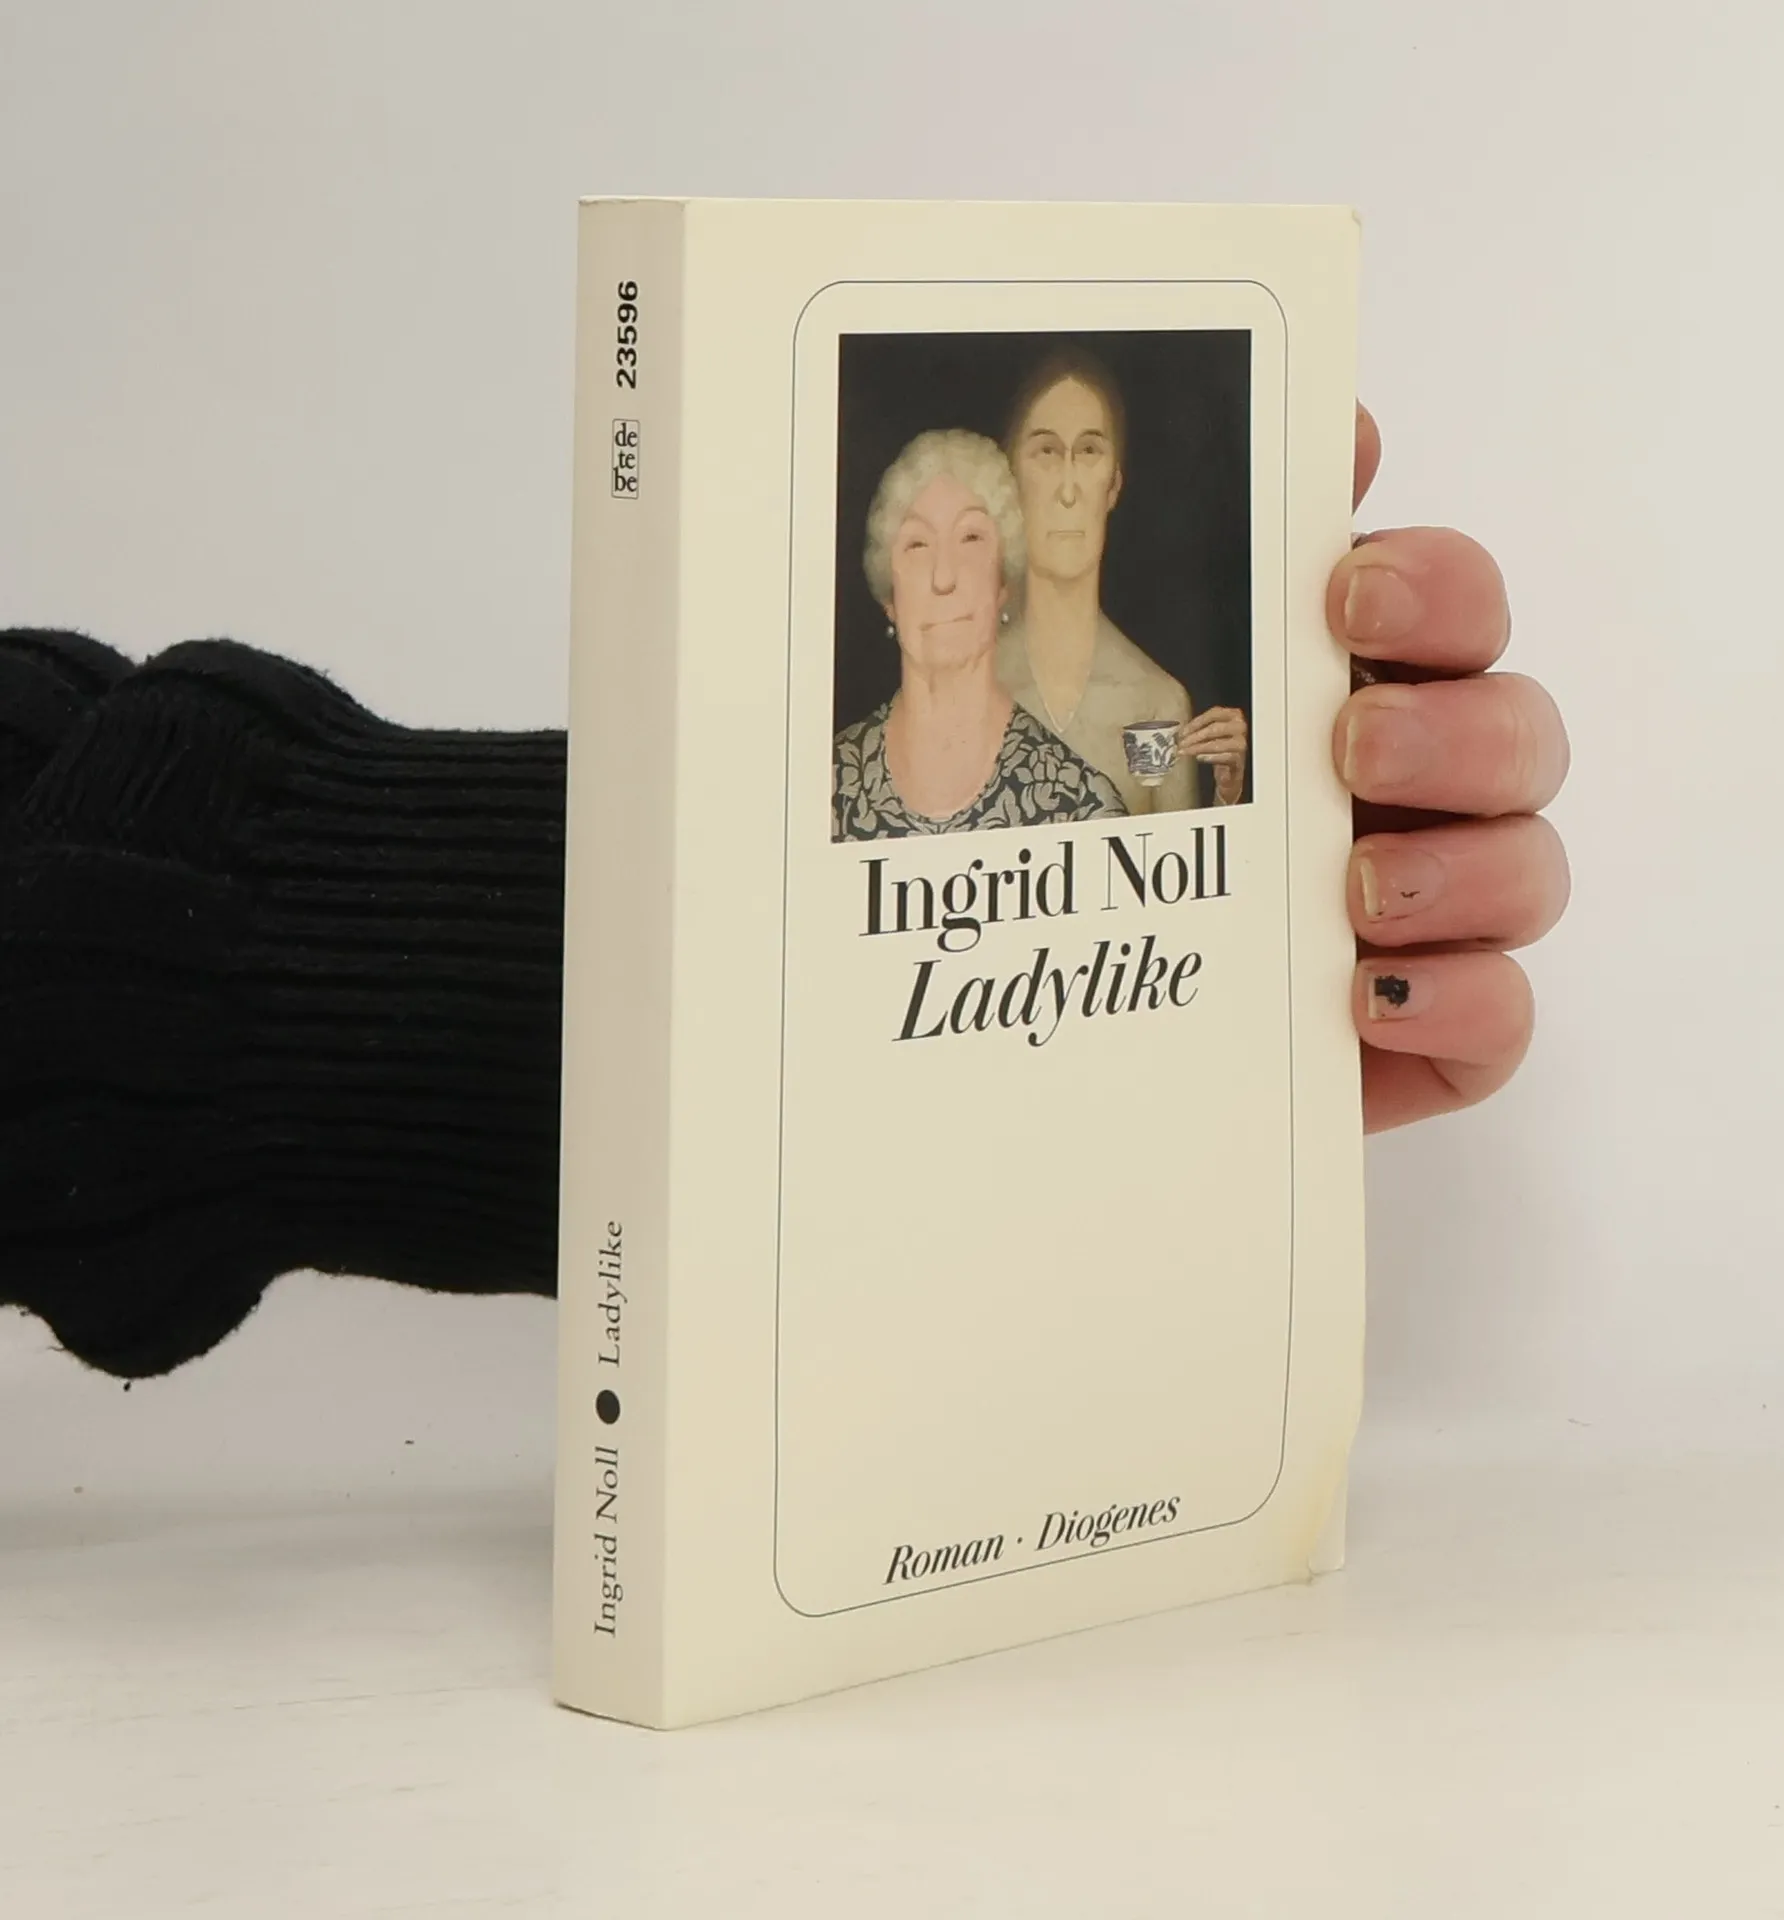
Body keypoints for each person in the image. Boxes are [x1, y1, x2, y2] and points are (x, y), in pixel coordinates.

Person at [0, 404, 1569, 1378]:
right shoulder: (837, 783)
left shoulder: (1122, 747)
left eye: (981, 534)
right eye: (919, 539)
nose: (947, 570)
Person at [834, 428, 1125, 840]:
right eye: (917, 545)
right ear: (889, 595)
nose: (943, 577)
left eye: (970, 538)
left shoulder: (1080, 805)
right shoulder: (825, 789)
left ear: (1003, 580)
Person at [995, 347, 1250, 813]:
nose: (1067, 490)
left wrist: (1228, 800)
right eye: (1047, 452)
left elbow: (1175, 857)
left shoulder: (1155, 703)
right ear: (1012, 480)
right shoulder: (966, 681)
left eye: (1088, 451)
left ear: (1113, 484)